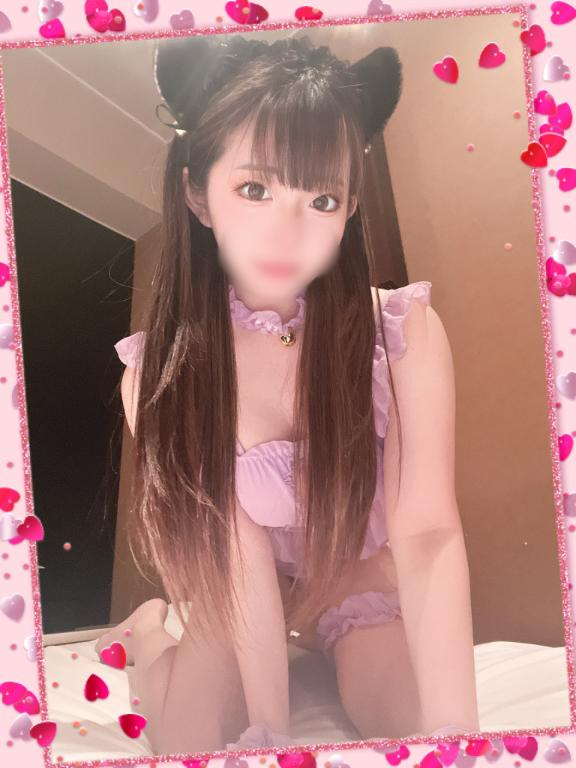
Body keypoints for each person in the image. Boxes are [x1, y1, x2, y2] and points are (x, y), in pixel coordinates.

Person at [95, 33, 479, 753]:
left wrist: (460, 732)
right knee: (186, 738)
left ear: (349, 207)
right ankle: (148, 633)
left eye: (321, 198)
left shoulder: (402, 334)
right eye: (254, 189)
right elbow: (236, 554)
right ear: (197, 194)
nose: (288, 231)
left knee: (413, 725)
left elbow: (427, 534)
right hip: (246, 594)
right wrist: (268, 727)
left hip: (360, 581)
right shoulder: (160, 375)